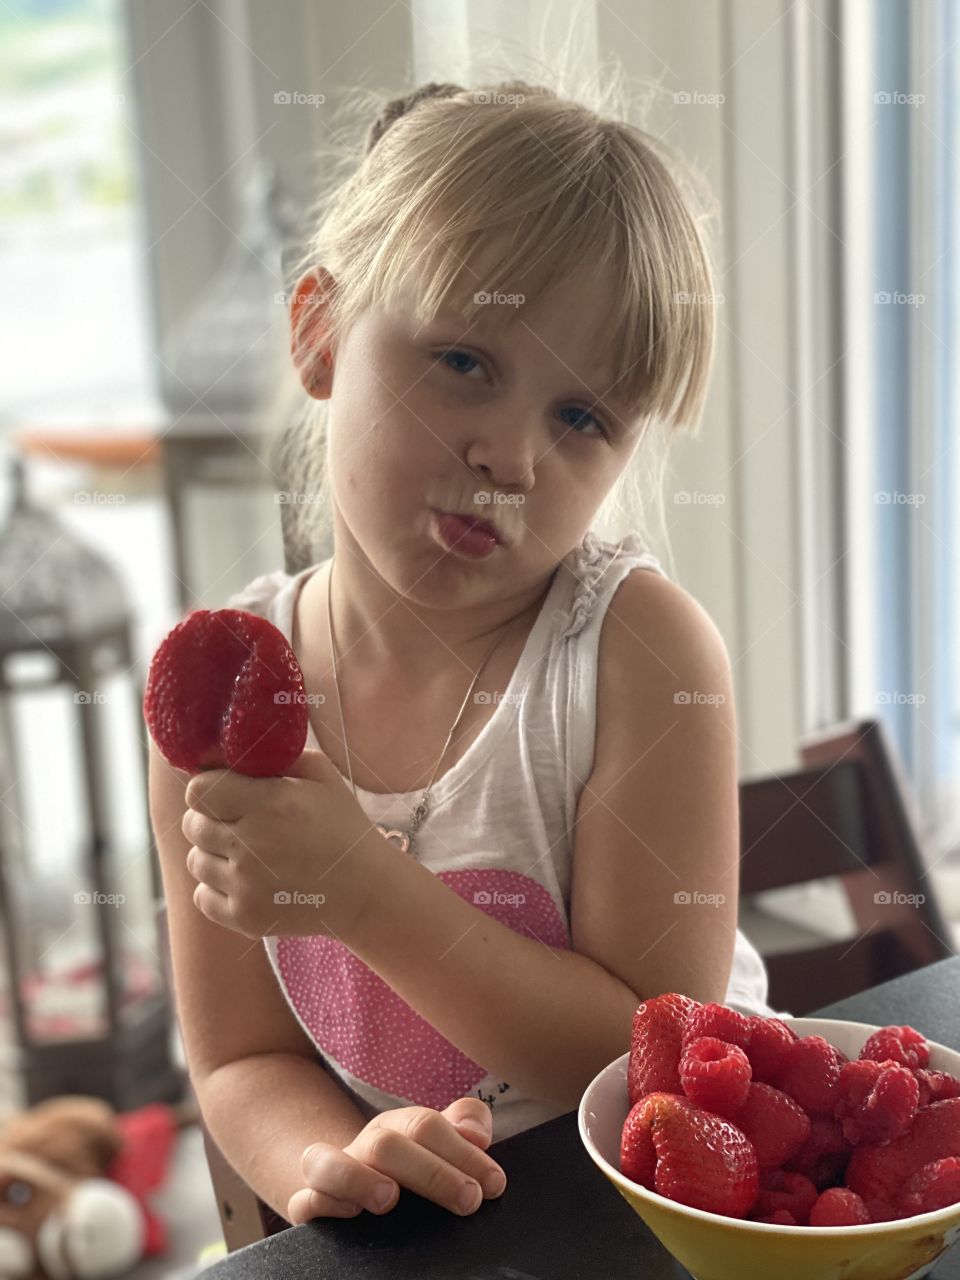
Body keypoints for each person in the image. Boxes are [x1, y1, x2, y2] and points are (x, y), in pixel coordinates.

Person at [148, 77, 785, 1231]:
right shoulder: (222, 695)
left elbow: (662, 1062)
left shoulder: (638, 657)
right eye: (464, 362)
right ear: (320, 333)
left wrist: (364, 892)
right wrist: (339, 1157)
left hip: (648, 1215)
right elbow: (240, 1056)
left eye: (581, 417)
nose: (512, 457)